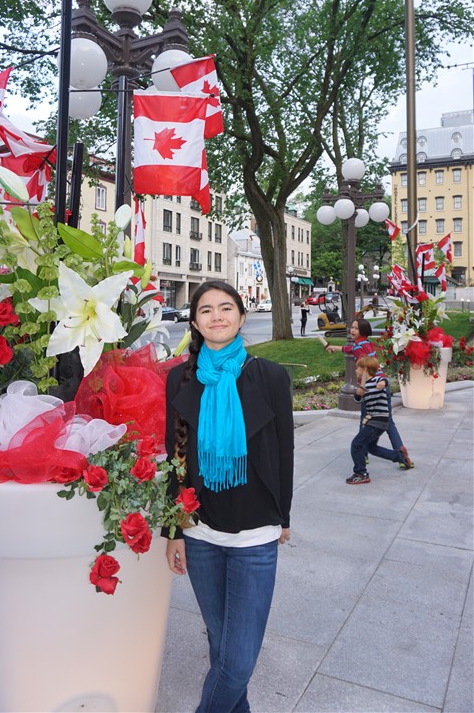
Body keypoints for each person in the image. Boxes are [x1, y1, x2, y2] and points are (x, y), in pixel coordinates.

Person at [163, 280, 294, 713]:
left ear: (241, 316)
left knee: (237, 663)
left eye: (225, 308)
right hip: (201, 533)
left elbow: (285, 450)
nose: (216, 316)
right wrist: (174, 530)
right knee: (221, 647)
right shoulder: (179, 379)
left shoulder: (270, 376)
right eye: (206, 310)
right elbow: (175, 457)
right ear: (195, 322)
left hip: (255, 534)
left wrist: (283, 516)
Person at [325, 319, 413, 467]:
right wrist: (334, 347)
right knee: (388, 421)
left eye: (356, 328)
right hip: (382, 383)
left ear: (363, 331)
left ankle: (363, 453)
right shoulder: (366, 343)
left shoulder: (359, 348)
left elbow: (361, 362)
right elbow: (350, 349)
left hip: (371, 386)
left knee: (365, 420)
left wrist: (362, 388)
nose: (352, 330)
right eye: (352, 327)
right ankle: (400, 452)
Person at [346, 356, 411, 484]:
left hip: (377, 421)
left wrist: (383, 383)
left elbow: (386, 380)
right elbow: (358, 400)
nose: (355, 370)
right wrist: (357, 394)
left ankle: (361, 473)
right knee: (371, 447)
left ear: (365, 369)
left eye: (357, 368)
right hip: (375, 422)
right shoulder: (363, 386)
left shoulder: (377, 380)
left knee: (356, 445)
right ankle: (399, 456)